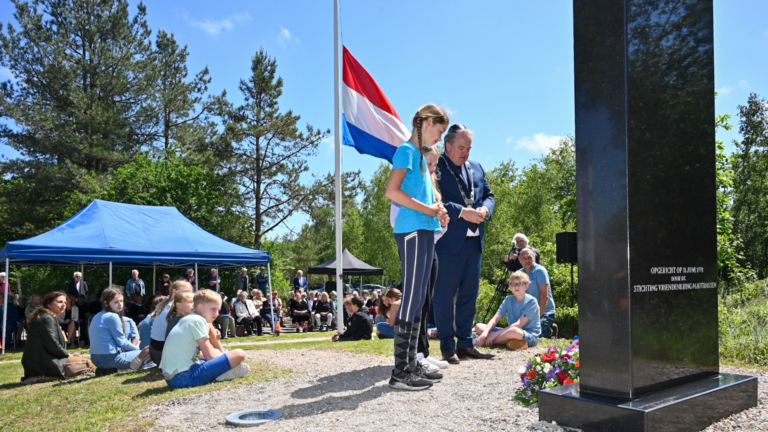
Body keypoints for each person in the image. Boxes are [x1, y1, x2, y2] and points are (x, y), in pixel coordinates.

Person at [384, 104, 449, 390]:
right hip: (410, 230)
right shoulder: (406, 151)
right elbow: (392, 191)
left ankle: (412, 363)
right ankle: (400, 372)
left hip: (423, 229)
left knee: (420, 297)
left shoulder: (421, 158)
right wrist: (428, 209)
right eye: (439, 131)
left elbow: (421, 196)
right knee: (411, 297)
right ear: (428, 121)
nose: (439, 138)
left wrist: (438, 210)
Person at [433, 124, 496, 364]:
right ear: (447, 145)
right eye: (461, 148)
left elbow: (489, 195)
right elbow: (433, 198)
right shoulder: (436, 165)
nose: (466, 152)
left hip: (474, 242)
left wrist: (484, 210)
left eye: (469, 148)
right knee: (444, 297)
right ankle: (447, 347)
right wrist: (462, 212)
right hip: (448, 243)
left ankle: (466, 344)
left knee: (469, 296)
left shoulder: (476, 167)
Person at [160, 290, 249, 389]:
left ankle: (222, 372)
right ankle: (224, 371)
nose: (217, 313)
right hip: (182, 377)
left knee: (216, 356)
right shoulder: (198, 320)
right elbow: (210, 356)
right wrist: (225, 356)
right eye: (213, 309)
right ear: (200, 307)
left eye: (218, 310)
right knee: (239, 354)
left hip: (173, 377)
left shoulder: (189, 318)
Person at [21, 292, 95, 384]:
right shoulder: (47, 319)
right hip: (44, 363)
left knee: (86, 364)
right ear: (49, 304)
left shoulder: (46, 317)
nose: (63, 305)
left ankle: (52, 376)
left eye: (65, 302)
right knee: (90, 364)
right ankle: (47, 376)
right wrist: (69, 355)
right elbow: (53, 345)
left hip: (43, 360)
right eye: (60, 302)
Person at [89, 287, 152, 372]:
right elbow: (122, 342)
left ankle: (112, 369)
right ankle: (120, 368)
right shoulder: (113, 316)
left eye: (121, 301)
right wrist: (137, 349)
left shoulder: (98, 315)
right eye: (116, 302)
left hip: (95, 359)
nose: (120, 304)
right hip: (110, 358)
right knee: (150, 354)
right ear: (106, 303)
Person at [475, 272, 541, 350]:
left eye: (520, 283)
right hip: (509, 331)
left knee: (513, 331)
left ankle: (490, 341)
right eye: (513, 284)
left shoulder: (531, 301)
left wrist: (495, 334)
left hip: (528, 335)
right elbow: (495, 318)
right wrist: (484, 334)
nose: (516, 286)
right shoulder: (508, 299)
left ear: (526, 286)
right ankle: (508, 341)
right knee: (479, 326)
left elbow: (519, 324)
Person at [148, 280, 194, 365]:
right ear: (175, 292)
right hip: (163, 357)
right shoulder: (177, 308)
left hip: (155, 353)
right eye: (186, 292)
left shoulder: (165, 304)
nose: (190, 296)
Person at [518, 248, 557, 338]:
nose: (527, 260)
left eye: (529, 257)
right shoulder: (519, 274)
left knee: (531, 335)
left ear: (534, 258)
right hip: (528, 313)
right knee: (516, 332)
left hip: (545, 313)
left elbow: (544, 296)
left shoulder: (540, 271)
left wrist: (536, 318)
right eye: (524, 258)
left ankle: (549, 331)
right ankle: (547, 329)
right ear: (520, 260)